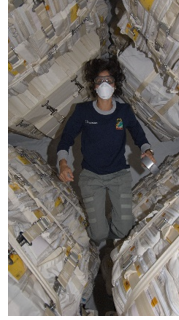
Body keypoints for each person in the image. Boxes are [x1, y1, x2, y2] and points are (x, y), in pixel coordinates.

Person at [56, 56, 153, 247]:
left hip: (119, 175)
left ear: (115, 85)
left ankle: (114, 249)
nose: (104, 85)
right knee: (98, 234)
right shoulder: (82, 111)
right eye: (100, 81)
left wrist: (147, 150)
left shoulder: (124, 112)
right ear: (94, 86)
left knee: (125, 229)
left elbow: (139, 134)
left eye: (108, 80)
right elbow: (66, 139)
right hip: (92, 177)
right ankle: (95, 233)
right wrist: (63, 163)